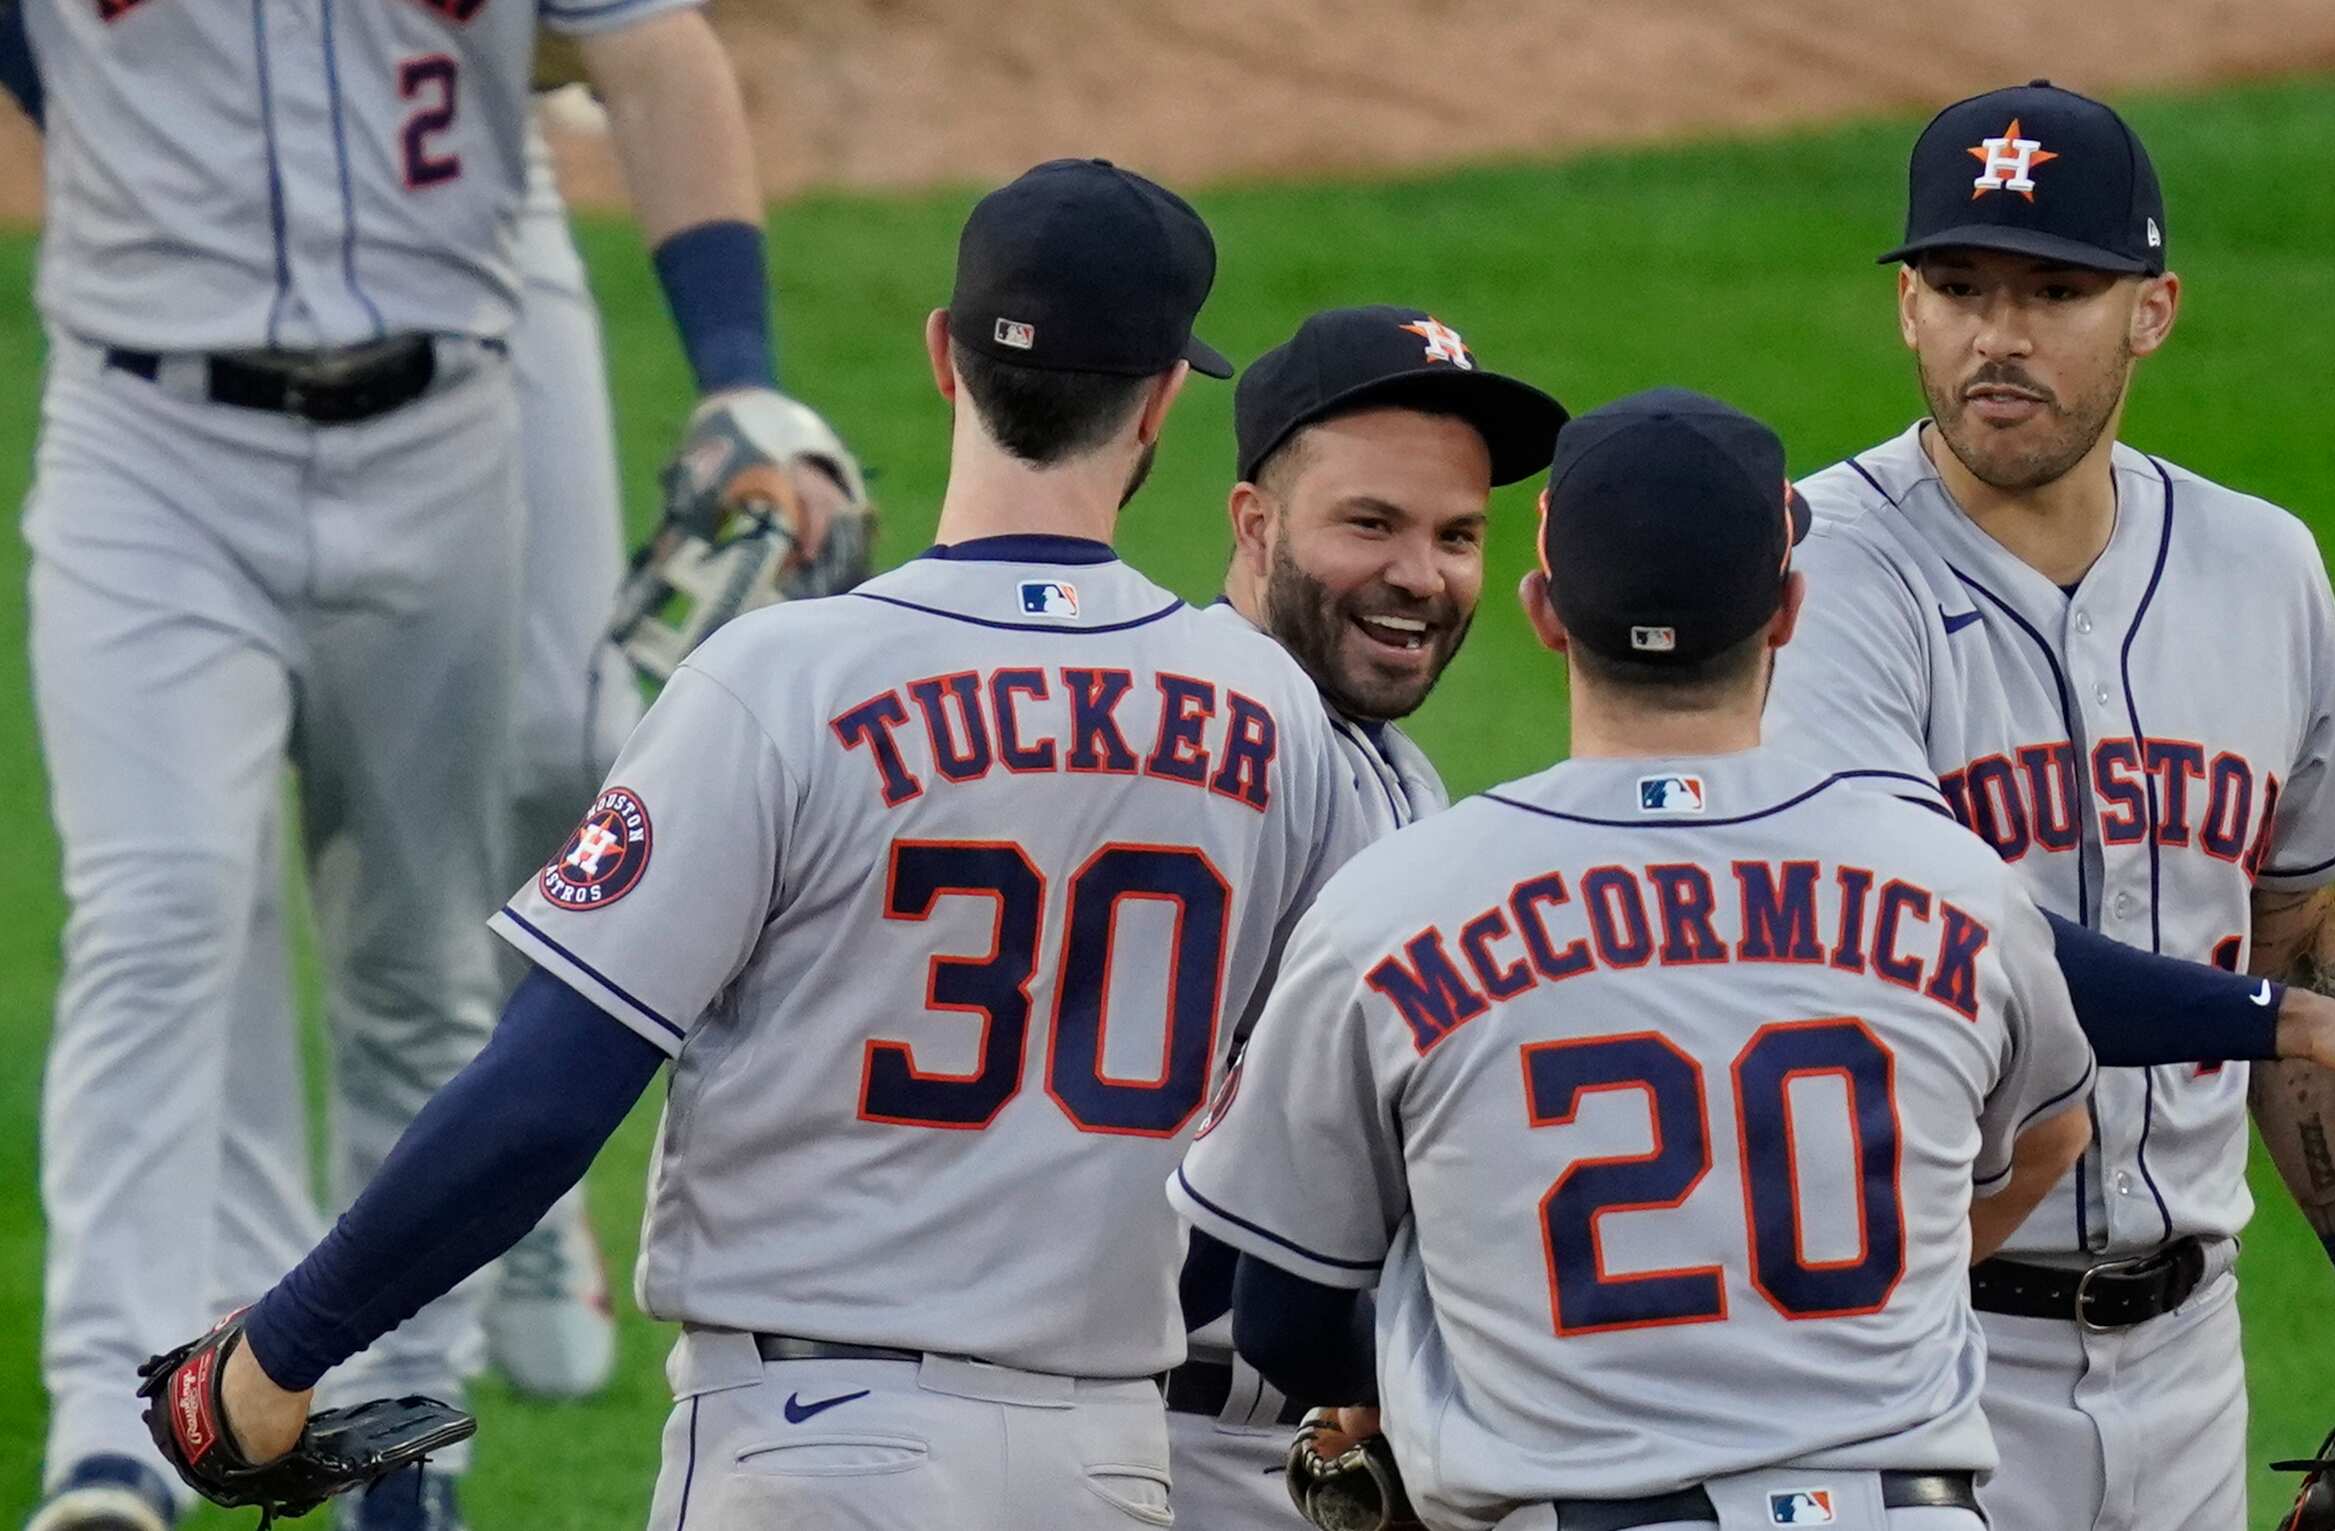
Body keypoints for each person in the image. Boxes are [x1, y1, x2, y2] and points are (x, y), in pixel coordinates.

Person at [138, 157, 1375, 1531]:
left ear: (941, 358)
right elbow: (1324, 1131)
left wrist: (276, 1349)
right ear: (1158, 402)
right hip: (1106, 1457)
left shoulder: (780, 678)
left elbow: (546, 1092)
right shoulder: (1267, 710)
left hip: (813, 1447)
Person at [17, 0, 845, 1524]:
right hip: (151, 444)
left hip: (441, 437)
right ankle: (107, 1437)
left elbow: (652, 47)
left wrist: (738, 370)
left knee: (414, 958)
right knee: (160, 910)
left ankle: (408, 1454)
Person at [1763, 80, 2335, 1529]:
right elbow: (1949, 940)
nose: (1998, 332)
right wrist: (2301, 1019)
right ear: (1905, 312)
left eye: (2055, 288)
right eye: (1956, 284)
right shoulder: (1811, 576)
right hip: (1913, 1352)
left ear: (2150, 310)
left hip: (2188, 1360)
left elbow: (2293, 929)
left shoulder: (2261, 569)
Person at [1175, 387, 2102, 1531]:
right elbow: (2052, 1134)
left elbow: (1285, 1318)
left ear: (1543, 610)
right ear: (1786, 612)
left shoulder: (1401, 909)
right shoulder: (1955, 882)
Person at [1168, 305, 1566, 1529]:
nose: (1422, 575)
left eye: (1457, 535)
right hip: (1169, 1435)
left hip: (1284, 1422)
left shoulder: (1381, 760)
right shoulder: (1224, 745)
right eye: (1370, 523)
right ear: (1254, 521)